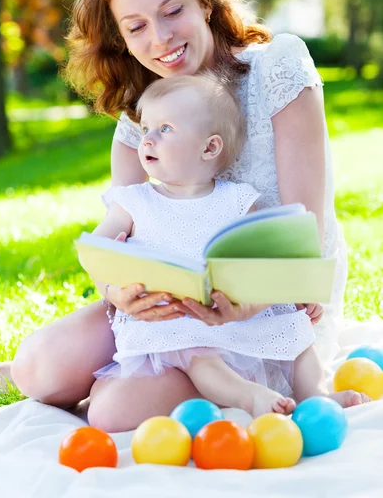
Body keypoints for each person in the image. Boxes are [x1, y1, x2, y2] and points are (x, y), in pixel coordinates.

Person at [0, 0, 347, 420]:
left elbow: (304, 239)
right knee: (37, 368)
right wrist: (121, 294)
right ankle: (113, 372)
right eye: (136, 27)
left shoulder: (276, 69)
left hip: (276, 305)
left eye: (172, 11)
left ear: (204, 2)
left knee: (112, 411)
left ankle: (128, 386)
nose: (161, 39)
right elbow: (121, 243)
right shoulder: (141, 122)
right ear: (121, 39)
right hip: (173, 311)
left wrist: (248, 301)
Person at [87, 72, 369, 433]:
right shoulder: (133, 202)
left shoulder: (237, 199)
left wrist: (294, 291)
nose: (148, 140)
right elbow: (97, 251)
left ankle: (317, 395)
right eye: (146, 130)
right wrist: (113, 289)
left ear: (209, 148)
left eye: (165, 129)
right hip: (178, 321)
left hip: (238, 314)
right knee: (198, 356)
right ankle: (245, 397)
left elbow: (267, 255)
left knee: (296, 334)